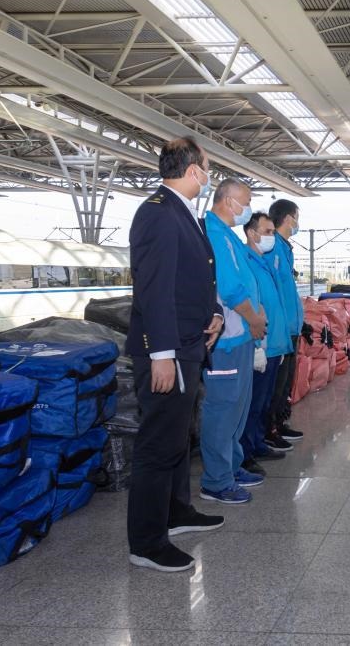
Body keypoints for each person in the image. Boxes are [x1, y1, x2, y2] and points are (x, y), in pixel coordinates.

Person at [125, 136, 225, 573]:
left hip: (189, 343)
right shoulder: (158, 213)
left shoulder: (183, 214)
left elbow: (194, 281)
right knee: (157, 445)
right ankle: (147, 542)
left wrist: (215, 313)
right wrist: (160, 354)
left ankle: (176, 511)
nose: (209, 176)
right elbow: (155, 289)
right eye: (207, 168)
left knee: (177, 438)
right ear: (193, 170)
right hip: (168, 350)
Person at [200, 178, 267, 504]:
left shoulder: (229, 236)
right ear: (229, 201)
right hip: (225, 341)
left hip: (240, 337)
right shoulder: (214, 234)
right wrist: (254, 318)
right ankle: (215, 481)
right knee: (222, 410)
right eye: (247, 201)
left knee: (237, 410)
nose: (249, 208)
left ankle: (231, 466)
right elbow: (228, 288)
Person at [239, 212, 292, 476]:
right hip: (260, 343)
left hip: (274, 343)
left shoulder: (263, 262)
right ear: (251, 233)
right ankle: (245, 454)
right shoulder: (245, 261)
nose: (272, 236)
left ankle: (258, 443)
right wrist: (258, 345)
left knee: (263, 401)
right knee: (252, 403)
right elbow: (250, 305)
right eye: (268, 232)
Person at [264, 199, 305, 452]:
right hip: (280, 329)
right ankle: (269, 430)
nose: (298, 222)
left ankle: (279, 423)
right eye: (297, 217)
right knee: (275, 384)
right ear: (289, 218)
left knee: (286, 381)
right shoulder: (273, 248)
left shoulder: (285, 249)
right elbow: (273, 292)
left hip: (291, 327)